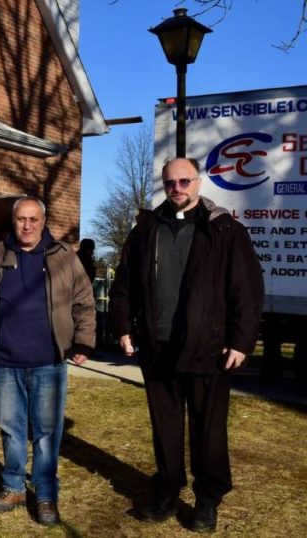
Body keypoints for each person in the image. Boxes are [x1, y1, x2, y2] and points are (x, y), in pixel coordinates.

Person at [109, 157, 264, 533]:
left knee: (208, 430)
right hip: (158, 347)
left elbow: (246, 290)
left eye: (184, 181)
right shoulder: (146, 229)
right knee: (165, 427)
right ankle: (167, 491)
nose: (177, 188)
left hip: (207, 348)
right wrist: (123, 326)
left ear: (198, 182)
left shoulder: (224, 230)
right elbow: (124, 284)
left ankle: (207, 500)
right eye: (170, 182)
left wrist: (241, 341)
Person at [0, 196, 95, 526]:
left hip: (49, 361)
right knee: (11, 428)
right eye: (22, 219)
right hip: (6, 362)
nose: (27, 226)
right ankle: (12, 486)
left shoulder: (64, 257)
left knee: (47, 431)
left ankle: (46, 492)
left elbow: (84, 301)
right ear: (14, 221)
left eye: (34, 219)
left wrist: (83, 340)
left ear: (43, 220)